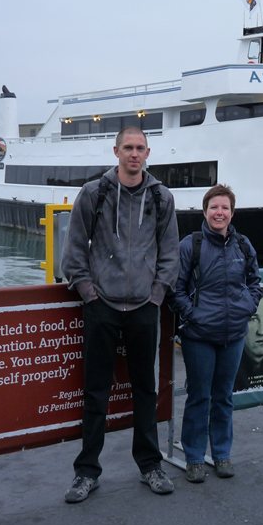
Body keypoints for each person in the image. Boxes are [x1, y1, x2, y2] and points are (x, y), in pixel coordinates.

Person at [61, 127, 180, 503]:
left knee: (146, 390)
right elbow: (75, 249)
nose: (133, 154)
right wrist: (89, 295)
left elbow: (170, 252)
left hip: (145, 307)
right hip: (102, 306)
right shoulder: (94, 193)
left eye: (139, 148)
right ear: (116, 151)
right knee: (96, 392)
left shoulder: (161, 197)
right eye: (127, 147)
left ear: (148, 152)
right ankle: (87, 472)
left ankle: (150, 465)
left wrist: (156, 296)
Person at [169, 184, 261, 484]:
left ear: (232, 213)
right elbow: (176, 289)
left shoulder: (243, 245)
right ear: (205, 211)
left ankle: (221, 453)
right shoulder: (190, 245)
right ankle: (195, 457)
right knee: (199, 396)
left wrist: (247, 306)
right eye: (214, 208)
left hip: (233, 333)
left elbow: (255, 282)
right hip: (199, 336)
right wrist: (193, 316)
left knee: (224, 397)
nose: (219, 213)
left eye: (224, 208)